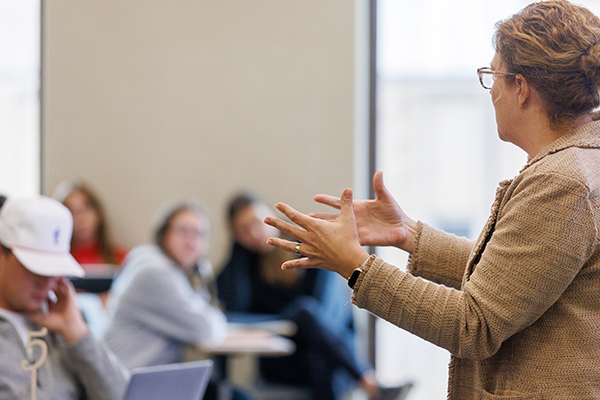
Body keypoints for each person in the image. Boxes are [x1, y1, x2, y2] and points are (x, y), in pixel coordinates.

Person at [265, 1, 600, 398]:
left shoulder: (562, 182)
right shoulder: (582, 162)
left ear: (521, 87)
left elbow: (474, 324)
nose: (491, 90)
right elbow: (510, 280)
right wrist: (409, 234)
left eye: (493, 75)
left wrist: (355, 266)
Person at [218, 193, 411, 400]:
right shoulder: (243, 266)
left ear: (270, 216)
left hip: (322, 350)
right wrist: (236, 251)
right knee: (306, 319)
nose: (254, 233)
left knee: (316, 348)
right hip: (282, 356)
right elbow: (235, 309)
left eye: (257, 222)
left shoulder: (304, 247)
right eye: (243, 230)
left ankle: (369, 384)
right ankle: (370, 384)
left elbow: (322, 309)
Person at [104, 200, 249, 400]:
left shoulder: (148, 259)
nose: (191, 241)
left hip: (143, 378)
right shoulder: (156, 272)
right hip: (133, 386)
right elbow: (206, 329)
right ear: (163, 234)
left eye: (199, 234)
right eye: (183, 231)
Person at [0, 196, 129, 400]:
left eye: (55, 270)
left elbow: (123, 396)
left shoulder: (64, 326)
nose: (47, 282)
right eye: (35, 269)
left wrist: (77, 334)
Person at [53, 179, 127, 268]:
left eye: (86, 209)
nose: (80, 218)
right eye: (72, 211)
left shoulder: (122, 259)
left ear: (97, 213)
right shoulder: (54, 260)